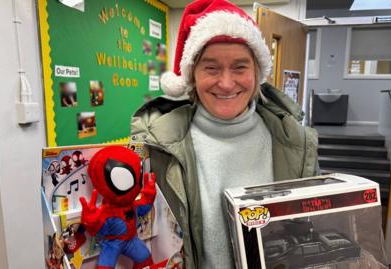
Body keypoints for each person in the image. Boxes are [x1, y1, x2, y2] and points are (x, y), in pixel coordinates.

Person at [130, 0, 319, 268]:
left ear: (257, 72)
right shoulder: (157, 146)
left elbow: (310, 235)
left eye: (240, 67)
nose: (227, 83)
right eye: (211, 67)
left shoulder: (296, 145)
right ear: (192, 75)